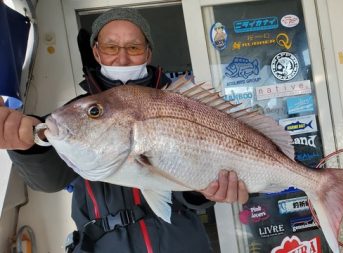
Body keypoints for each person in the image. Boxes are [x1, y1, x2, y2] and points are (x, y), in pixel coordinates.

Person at [0, 8, 248, 253]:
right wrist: (28, 148)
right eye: (110, 47)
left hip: (182, 243)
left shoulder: (183, 105)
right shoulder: (76, 112)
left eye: (133, 47)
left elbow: (190, 185)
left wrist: (202, 193)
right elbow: (51, 179)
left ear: (148, 52)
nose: (122, 58)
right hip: (106, 246)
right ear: (96, 51)